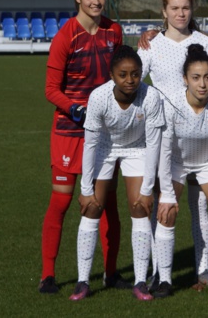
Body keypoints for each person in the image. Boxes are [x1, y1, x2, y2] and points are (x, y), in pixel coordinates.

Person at [40, 0, 125, 293]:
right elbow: (50, 89)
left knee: (106, 204)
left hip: (104, 134)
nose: (96, 1)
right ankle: (48, 274)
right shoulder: (66, 36)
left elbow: (123, 72)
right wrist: (75, 109)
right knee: (61, 203)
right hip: (69, 133)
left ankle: (111, 273)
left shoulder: (114, 32)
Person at [69, 45, 164, 301]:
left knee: (140, 208)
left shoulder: (152, 97)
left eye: (135, 74)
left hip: (137, 149)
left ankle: (141, 281)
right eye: (123, 74)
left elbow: (153, 143)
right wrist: (85, 190)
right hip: (104, 149)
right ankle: (82, 281)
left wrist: (147, 191)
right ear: (112, 74)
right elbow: (90, 144)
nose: (130, 80)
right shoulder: (98, 97)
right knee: (92, 208)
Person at [137, 0, 208, 287]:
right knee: (164, 205)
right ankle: (161, 271)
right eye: (174, 8)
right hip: (164, 136)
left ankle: (203, 269)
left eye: (185, 8)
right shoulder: (152, 44)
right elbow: (133, 78)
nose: (180, 14)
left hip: (201, 134)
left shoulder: (205, 43)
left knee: (200, 208)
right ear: (164, 11)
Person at [155, 44, 208, 298]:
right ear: (184, 79)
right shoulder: (171, 103)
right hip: (177, 163)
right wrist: (167, 193)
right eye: (196, 78)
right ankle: (165, 279)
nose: (203, 84)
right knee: (166, 213)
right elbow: (165, 151)